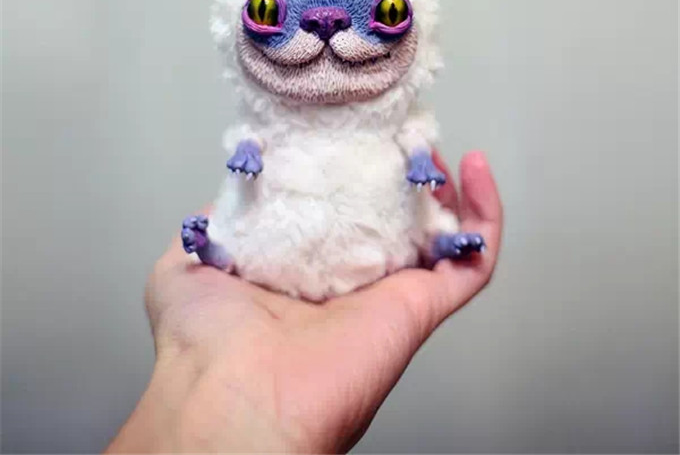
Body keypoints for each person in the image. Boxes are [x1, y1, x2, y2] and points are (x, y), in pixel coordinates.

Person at [106, 151, 502, 453]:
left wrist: (417, 159)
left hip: (368, 251)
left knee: (418, 218)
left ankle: (439, 241)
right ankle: (217, 252)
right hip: (278, 259)